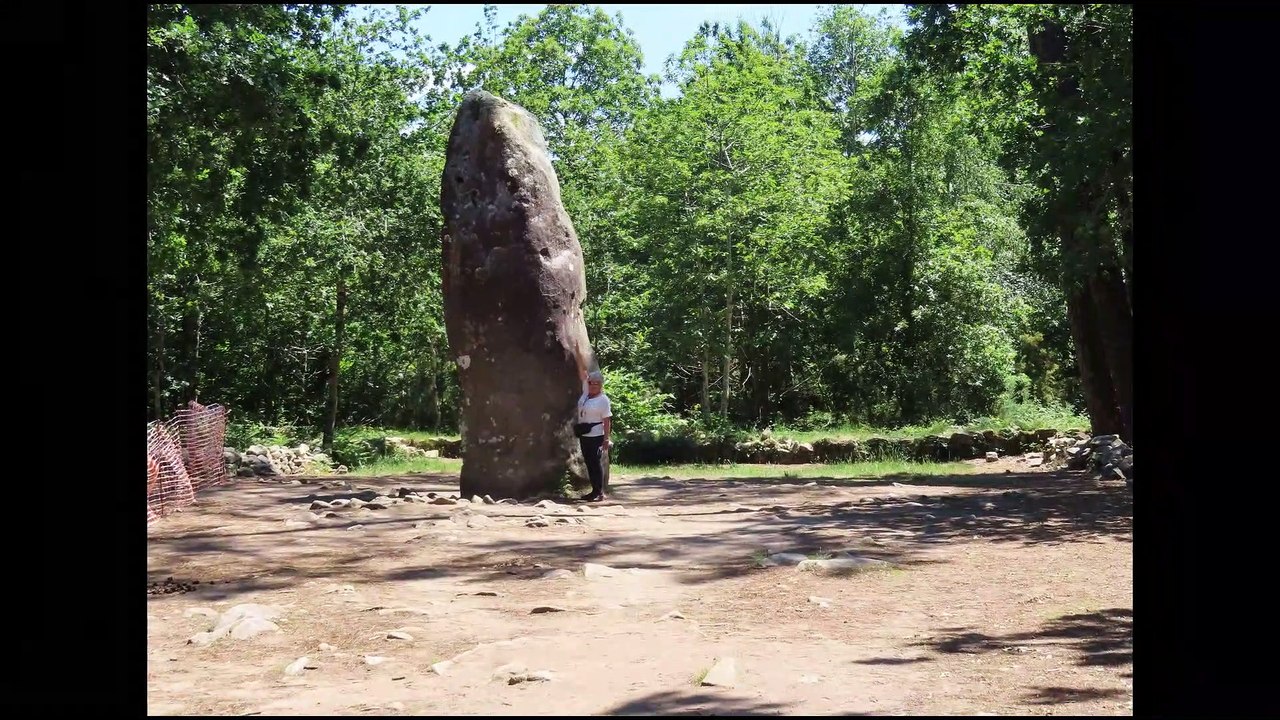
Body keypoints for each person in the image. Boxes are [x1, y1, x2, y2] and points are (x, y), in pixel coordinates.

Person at [573, 352, 612, 502]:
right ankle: (594, 490)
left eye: (596, 383)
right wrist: (577, 352)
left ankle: (599, 491)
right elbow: (582, 371)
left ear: (601, 384)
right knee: (589, 462)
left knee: (595, 462)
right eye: (591, 382)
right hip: (584, 433)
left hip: (596, 434)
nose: (593, 385)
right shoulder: (586, 393)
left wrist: (606, 439)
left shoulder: (603, 400)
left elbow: (607, 419)